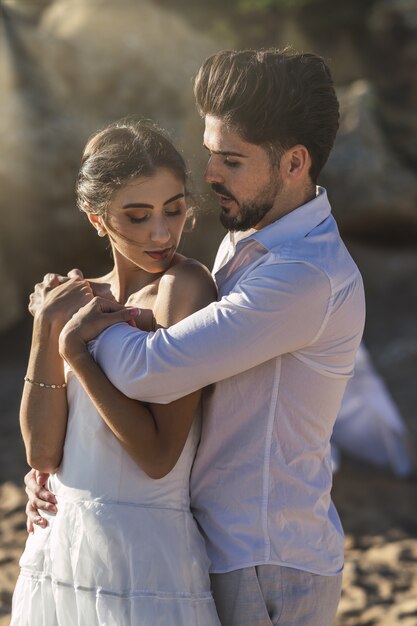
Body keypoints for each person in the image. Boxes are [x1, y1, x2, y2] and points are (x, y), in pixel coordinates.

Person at [24, 49, 366, 626]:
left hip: (265, 557)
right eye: (210, 154)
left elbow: (150, 370)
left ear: (294, 162)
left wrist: (70, 325)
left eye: (230, 160)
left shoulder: (303, 273)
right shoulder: (251, 240)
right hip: (215, 545)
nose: (209, 176)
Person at [11, 119, 221, 625]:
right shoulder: (75, 300)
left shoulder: (184, 285)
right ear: (97, 218)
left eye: (174, 209)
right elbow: (42, 452)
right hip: (60, 544)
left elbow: (158, 456)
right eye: (138, 215)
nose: (162, 232)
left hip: (143, 554)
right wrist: (47, 329)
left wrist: (77, 354)